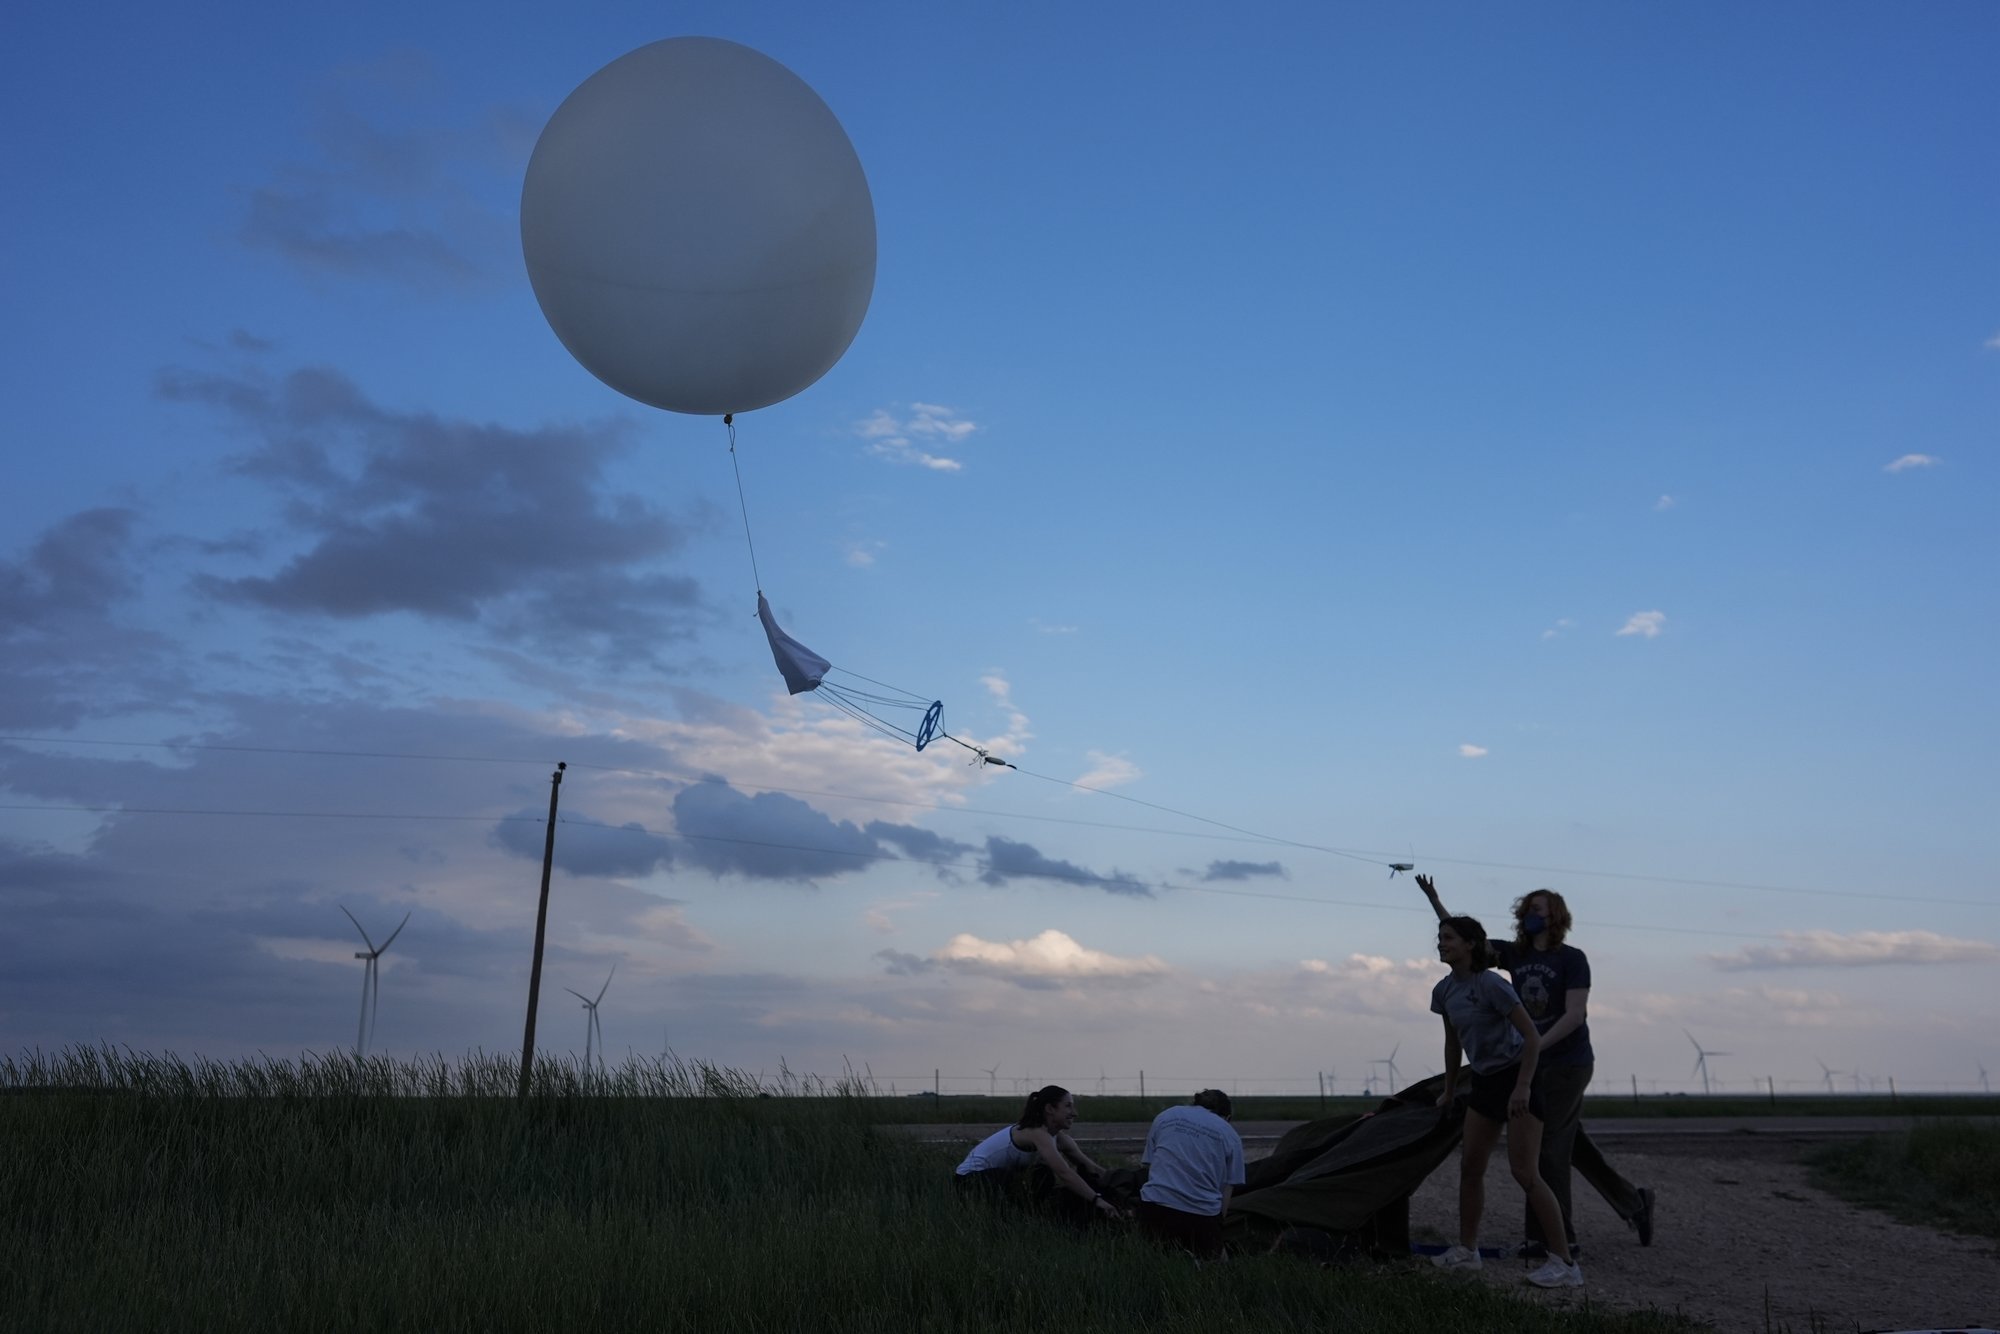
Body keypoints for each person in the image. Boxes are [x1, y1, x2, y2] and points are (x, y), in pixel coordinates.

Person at [1416, 874, 1657, 1256]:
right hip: (1529, 1061)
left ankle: (1551, 1243)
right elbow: (1464, 938)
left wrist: (1535, 1045)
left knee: (1548, 1152)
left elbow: (1575, 1015)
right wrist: (1434, 898)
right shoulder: (1517, 954)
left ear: (1554, 917)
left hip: (1566, 1063)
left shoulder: (1571, 959)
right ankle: (1634, 1202)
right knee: (1571, 1145)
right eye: (1526, 909)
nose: (1529, 915)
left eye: (1537, 910)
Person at [1429, 913, 1584, 1289]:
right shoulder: (1443, 991)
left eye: (1449, 937)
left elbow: (1531, 1037)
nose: (1441, 943)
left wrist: (1523, 1088)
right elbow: (1452, 1044)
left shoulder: (1493, 985)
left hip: (1518, 1077)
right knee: (1470, 1167)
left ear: (1470, 945)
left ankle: (1565, 1264)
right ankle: (1468, 1252)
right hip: (1484, 1082)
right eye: (1440, 937)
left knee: (1525, 1172)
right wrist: (1449, 1090)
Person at [954, 1084, 1122, 1222]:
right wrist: (1097, 1200)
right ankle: (1009, 1221)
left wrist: (1119, 1183)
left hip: (997, 1178)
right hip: (969, 1180)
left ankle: (1032, 1217)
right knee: (1022, 1178)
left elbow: (1092, 1168)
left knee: (1042, 1174)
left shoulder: (1060, 1139)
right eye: (1068, 1106)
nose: (1074, 1113)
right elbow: (1064, 1173)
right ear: (1050, 1109)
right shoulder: (1036, 1132)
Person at [1136, 1089, 1245, 1260]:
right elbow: (1228, 1188)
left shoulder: (1167, 1115)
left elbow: (1149, 1165)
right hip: (1201, 1215)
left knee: (1157, 1259)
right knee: (1217, 1263)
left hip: (1153, 1207)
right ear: (1228, 1117)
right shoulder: (1230, 1134)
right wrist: (1217, 1231)